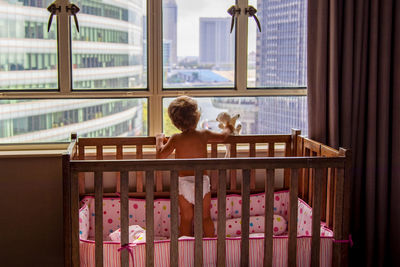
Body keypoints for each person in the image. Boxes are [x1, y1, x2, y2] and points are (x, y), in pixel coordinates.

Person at [155, 96, 233, 237]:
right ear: (197, 117)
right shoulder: (203, 134)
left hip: (184, 183)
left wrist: (159, 139)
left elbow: (160, 155)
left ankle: (186, 248)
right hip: (201, 182)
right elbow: (223, 137)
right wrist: (229, 127)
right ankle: (210, 245)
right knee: (205, 217)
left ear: (175, 122)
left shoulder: (175, 139)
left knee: (186, 218)